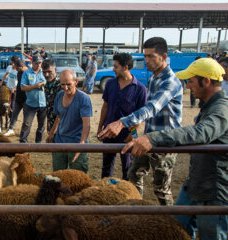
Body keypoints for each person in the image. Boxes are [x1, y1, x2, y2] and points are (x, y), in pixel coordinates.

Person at [121, 58, 227, 240]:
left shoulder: (221, 109)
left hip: (213, 190)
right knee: (175, 228)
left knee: (212, 234)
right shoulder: (210, 106)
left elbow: (201, 133)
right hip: (197, 183)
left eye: (191, 81)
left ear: (206, 81)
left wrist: (153, 138)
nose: (187, 87)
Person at [98, 37, 183, 205]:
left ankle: (172, 223)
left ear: (164, 57)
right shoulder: (153, 78)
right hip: (148, 139)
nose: (147, 61)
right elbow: (145, 113)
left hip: (165, 141)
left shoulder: (170, 82)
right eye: (145, 56)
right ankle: (137, 211)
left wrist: (122, 123)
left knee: (160, 187)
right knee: (133, 175)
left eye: (151, 56)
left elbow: (151, 108)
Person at [97, 53, 147, 180]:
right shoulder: (110, 84)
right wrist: (100, 128)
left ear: (125, 67)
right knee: (106, 166)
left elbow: (141, 115)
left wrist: (133, 133)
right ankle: (105, 192)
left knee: (127, 167)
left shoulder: (140, 89)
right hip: (108, 132)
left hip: (126, 134)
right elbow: (105, 107)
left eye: (116, 66)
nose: (113, 69)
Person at [47, 69, 92, 173]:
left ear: (76, 82)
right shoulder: (59, 95)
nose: (65, 88)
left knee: (78, 178)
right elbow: (58, 116)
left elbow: (86, 124)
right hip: (60, 142)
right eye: (62, 84)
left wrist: (82, 143)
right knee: (58, 176)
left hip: (76, 142)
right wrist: (52, 133)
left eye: (68, 84)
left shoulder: (83, 98)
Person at [19, 55, 47, 143]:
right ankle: (23, 143)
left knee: (42, 125)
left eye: (40, 63)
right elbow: (23, 87)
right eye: (36, 63)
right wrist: (35, 86)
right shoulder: (27, 73)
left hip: (43, 104)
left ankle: (38, 143)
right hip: (30, 104)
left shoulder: (44, 72)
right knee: (27, 124)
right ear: (32, 63)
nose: (38, 65)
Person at [4, 60, 28, 136]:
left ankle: (24, 132)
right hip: (18, 97)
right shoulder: (19, 72)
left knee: (26, 117)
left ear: (22, 66)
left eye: (17, 68)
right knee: (14, 114)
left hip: (26, 99)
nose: (16, 70)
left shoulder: (29, 73)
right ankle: (11, 129)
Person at [42, 59, 61, 131]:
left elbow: (61, 112)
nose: (46, 75)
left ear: (55, 70)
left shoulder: (61, 86)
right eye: (44, 72)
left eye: (49, 72)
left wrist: (53, 130)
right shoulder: (47, 85)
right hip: (52, 123)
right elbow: (49, 105)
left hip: (61, 125)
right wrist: (48, 121)